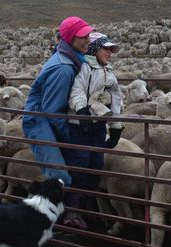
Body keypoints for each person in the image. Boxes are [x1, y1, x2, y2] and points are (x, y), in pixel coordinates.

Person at [22, 16, 94, 187]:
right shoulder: (63, 68)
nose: (88, 40)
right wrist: (71, 137)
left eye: (88, 36)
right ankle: (59, 212)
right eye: (83, 36)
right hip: (39, 120)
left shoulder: (71, 57)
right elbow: (52, 111)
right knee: (60, 177)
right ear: (70, 38)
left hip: (48, 117)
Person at [63, 32, 124, 229]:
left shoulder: (109, 72)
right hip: (79, 125)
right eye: (105, 48)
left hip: (97, 126)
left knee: (95, 166)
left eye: (110, 49)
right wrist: (81, 112)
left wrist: (115, 128)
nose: (109, 52)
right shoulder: (85, 67)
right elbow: (77, 91)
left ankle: (84, 210)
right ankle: (70, 212)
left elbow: (115, 100)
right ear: (93, 49)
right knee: (79, 165)